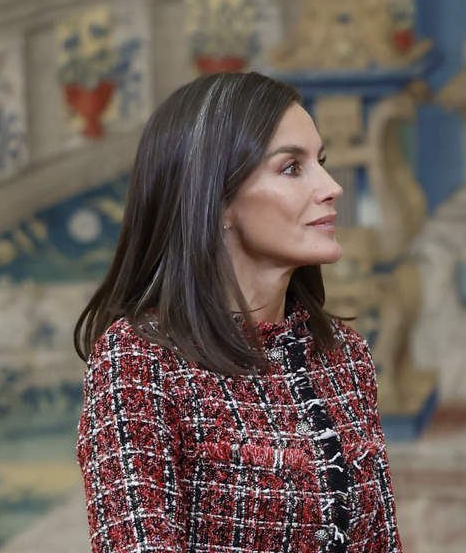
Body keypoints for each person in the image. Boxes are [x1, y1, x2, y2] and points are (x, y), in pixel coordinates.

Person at [74, 72, 401, 553]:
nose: (332, 187)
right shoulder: (137, 361)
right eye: (292, 167)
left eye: (321, 161)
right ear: (218, 198)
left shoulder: (345, 358)